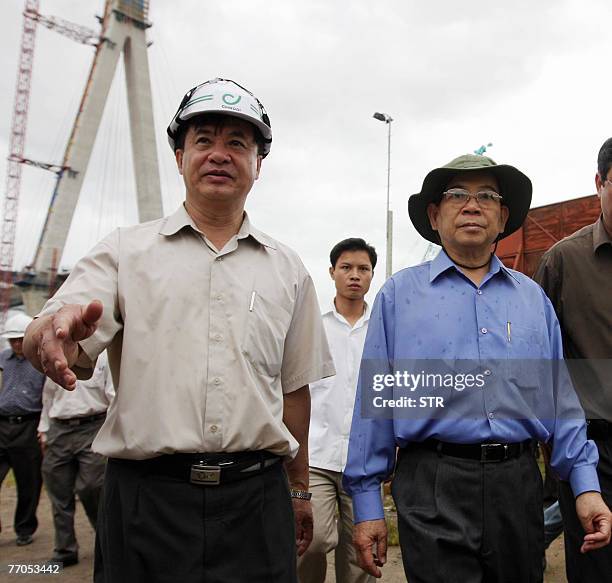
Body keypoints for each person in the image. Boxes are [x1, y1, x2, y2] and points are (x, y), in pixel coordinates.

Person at [23, 78, 334, 583]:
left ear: (259, 164)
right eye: (204, 140)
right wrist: (50, 332)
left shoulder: (288, 269)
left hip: (256, 502)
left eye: (238, 143)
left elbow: (294, 390)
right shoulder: (125, 252)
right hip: (147, 501)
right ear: (179, 155)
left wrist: (298, 490)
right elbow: (61, 324)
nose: (219, 154)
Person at [343, 154, 612, 582]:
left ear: (503, 216)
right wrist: (368, 506)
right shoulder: (399, 296)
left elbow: (560, 401)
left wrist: (586, 487)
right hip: (432, 483)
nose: (472, 205)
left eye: (487, 196)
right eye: (457, 195)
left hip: (517, 483)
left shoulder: (532, 300)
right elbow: (375, 405)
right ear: (435, 214)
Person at [533, 137, 612, 582]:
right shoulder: (563, 262)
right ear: (599, 183)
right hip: (593, 453)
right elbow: (540, 367)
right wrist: (558, 453)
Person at [298, 238, 377, 583]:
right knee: (310, 542)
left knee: (361, 556)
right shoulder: (311, 326)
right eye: (346, 268)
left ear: (372, 275)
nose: (354, 276)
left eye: (363, 269)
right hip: (316, 455)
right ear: (332, 272)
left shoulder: (382, 329)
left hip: (365, 460)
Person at [38, 350, 114, 567]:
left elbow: (113, 395)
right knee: (58, 491)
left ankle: (106, 544)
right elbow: (48, 395)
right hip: (59, 430)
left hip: (92, 427)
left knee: (91, 487)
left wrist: (109, 431)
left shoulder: (104, 358)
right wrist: (43, 429)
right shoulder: (59, 357)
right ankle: (65, 550)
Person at [0, 312, 45, 546]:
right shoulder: (2, 360)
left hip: (29, 425)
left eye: (19, 339)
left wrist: (44, 428)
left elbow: (50, 395)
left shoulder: (40, 361)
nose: (16, 344)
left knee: (28, 482)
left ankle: (24, 528)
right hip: (2, 424)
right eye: (12, 340)